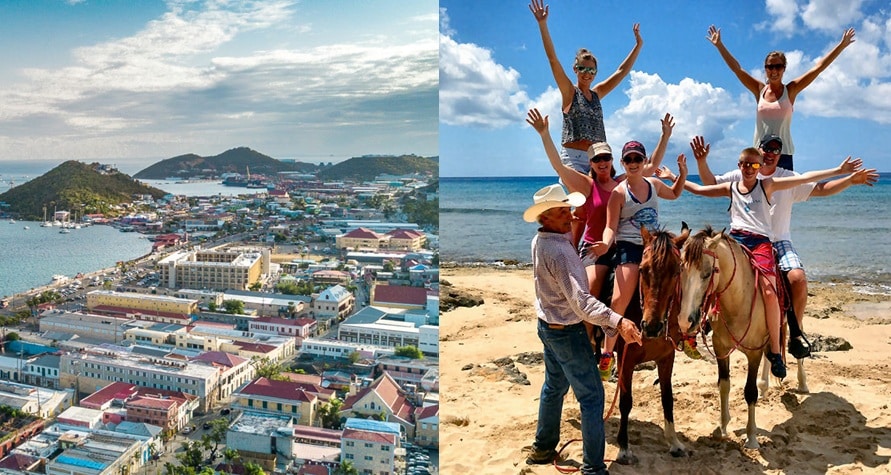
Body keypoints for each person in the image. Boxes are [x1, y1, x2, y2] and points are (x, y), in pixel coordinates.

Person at [690, 134, 878, 358]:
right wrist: (700, 163)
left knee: (797, 278)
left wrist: (847, 179)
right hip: (743, 239)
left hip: (779, 240)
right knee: (711, 273)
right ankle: (704, 322)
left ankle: (796, 332)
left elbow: (820, 189)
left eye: (775, 151)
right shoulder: (741, 173)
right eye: (766, 149)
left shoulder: (785, 178)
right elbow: (709, 184)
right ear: (757, 153)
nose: (770, 154)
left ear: (780, 155)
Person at [523, 183, 642, 473]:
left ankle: (543, 448)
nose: (570, 213)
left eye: (568, 208)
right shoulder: (560, 252)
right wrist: (619, 321)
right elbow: (581, 303)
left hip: (547, 326)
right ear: (545, 217)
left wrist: (575, 232)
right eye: (562, 211)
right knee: (591, 397)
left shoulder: (542, 240)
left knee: (554, 386)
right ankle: (593, 468)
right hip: (566, 330)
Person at [526, 107, 673, 311]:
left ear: (613, 161)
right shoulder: (587, 185)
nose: (602, 162)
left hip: (624, 245)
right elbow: (559, 167)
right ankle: (588, 339)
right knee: (591, 293)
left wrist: (665, 136)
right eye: (596, 159)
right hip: (596, 249)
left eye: (606, 158)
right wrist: (545, 135)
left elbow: (653, 164)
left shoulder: (624, 182)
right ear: (591, 163)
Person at [591, 141, 687, 379]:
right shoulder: (619, 193)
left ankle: (687, 334)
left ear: (644, 162)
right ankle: (607, 353)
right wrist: (604, 244)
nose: (633, 164)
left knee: (684, 280)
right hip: (630, 248)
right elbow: (611, 227)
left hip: (655, 246)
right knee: (619, 301)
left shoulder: (654, 184)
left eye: (638, 159)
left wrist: (682, 174)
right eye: (629, 160)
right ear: (623, 163)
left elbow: (675, 193)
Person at [706, 24, 856, 171]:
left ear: (784, 69)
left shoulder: (790, 90)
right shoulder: (759, 90)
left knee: (785, 196)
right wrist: (719, 45)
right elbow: (737, 69)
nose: (774, 71)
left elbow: (818, 68)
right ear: (765, 69)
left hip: (783, 154)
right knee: (761, 195)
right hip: (761, 154)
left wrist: (841, 46)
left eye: (778, 67)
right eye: (770, 67)